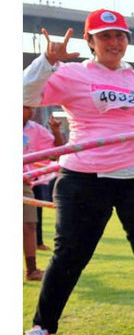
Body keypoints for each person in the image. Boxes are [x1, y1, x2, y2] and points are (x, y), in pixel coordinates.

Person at [21, 10, 134, 335]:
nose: (113, 42)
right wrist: (46, 61)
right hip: (84, 176)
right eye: (105, 36)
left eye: (120, 36)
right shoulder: (71, 74)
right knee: (69, 254)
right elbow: (26, 95)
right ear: (91, 42)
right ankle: (42, 325)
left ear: (127, 41)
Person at [23, 107, 65, 253]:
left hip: (27, 180)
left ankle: (32, 268)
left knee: (29, 223)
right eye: (25, 107)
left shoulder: (37, 130)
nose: (29, 111)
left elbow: (58, 153)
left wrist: (56, 131)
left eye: (30, 107)